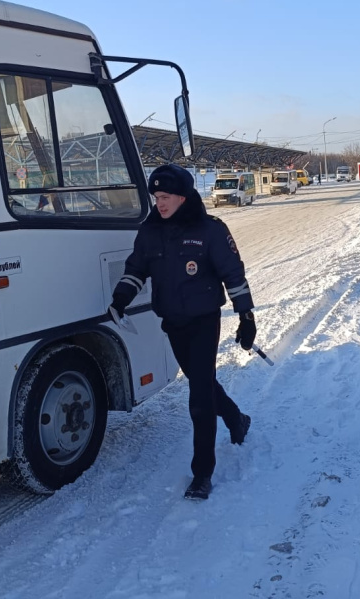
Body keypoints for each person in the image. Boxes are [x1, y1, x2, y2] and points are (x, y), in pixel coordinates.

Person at [109, 164, 257, 501]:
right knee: (201, 382)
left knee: (200, 398)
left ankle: (202, 474)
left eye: (165, 197)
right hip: (172, 323)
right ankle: (237, 418)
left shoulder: (210, 230)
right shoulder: (150, 233)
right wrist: (120, 299)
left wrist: (246, 316)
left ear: (183, 196)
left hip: (204, 321)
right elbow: (136, 270)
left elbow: (233, 274)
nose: (159, 203)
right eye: (156, 197)